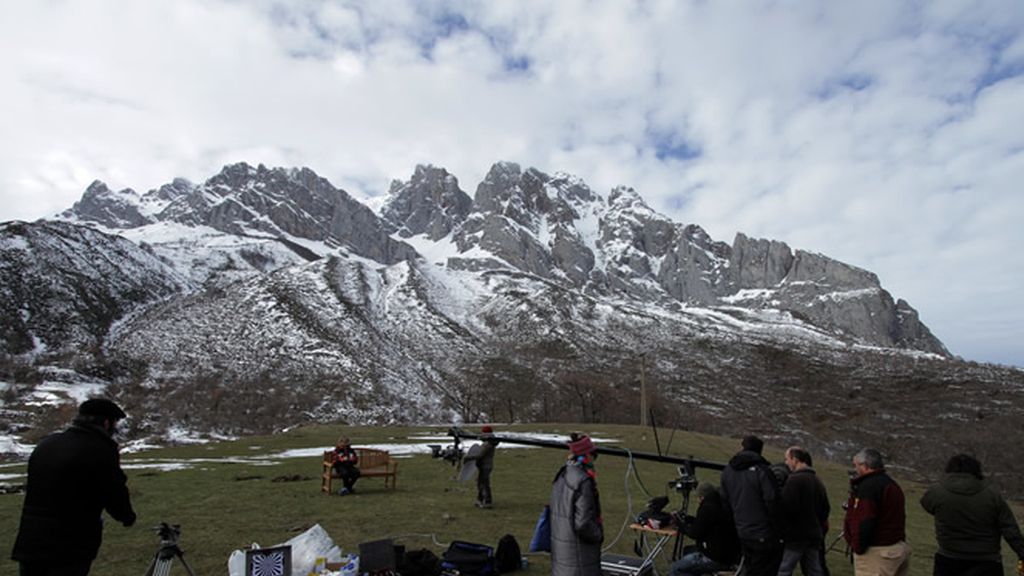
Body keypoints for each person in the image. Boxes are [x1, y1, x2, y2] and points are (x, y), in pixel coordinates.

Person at [11, 398, 137, 576]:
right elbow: (113, 490)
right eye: (114, 423)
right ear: (106, 422)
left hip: (31, 540)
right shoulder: (100, 449)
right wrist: (126, 516)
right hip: (70, 544)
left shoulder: (47, 444)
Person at [920, 453, 1024, 576]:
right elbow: (1010, 529)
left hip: (948, 558)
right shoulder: (992, 495)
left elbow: (927, 505)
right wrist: (1021, 552)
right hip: (987, 561)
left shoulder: (937, 491)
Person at [720, 435, 783, 576]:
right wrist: (779, 530)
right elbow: (772, 501)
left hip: (742, 530)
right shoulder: (762, 471)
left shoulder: (729, 470)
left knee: (749, 567)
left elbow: (725, 500)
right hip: (764, 533)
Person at [843, 448, 910, 576]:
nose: (855, 469)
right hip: (896, 547)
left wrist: (857, 547)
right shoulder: (891, 484)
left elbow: (864, 520)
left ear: (865, 465)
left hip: (877, 552)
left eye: (856, 465)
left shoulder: (869, 487)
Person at [550, 433, 604, 576]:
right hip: (579, 554)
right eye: (594, 454)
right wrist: (598, 535)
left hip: (562, 548)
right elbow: (583, 523)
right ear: (587, 456)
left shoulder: (562, 473)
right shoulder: (583, 481)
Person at [777, 446, 830, 576]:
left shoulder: (794, 480)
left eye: (787, 459)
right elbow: (825, 509)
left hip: (796, 536)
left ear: (795, 460)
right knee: (814, 570)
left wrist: (784, 530)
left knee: (784, 569)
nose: (786, 463)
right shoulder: (818, 481)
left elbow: (786, 508)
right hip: (813, 535)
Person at [669, 483, 741, 576]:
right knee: (687, 550)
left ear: (702, 497)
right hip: (731, 555)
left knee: (676, 569)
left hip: (716, 558)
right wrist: (689, 519)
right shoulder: (722, 504)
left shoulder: (707, 508)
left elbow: (694, 533)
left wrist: (679, 524)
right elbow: (706, 524)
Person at [464, 425, 499, 508]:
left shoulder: (487, 444)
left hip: (485, 466)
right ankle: (480, 500)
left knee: (483, 484)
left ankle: (487, 501)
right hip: (485, 465)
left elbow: (480, 455)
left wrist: (468, 457)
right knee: (482, 483)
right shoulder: (490, 442)